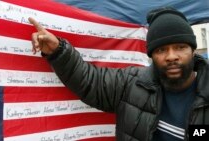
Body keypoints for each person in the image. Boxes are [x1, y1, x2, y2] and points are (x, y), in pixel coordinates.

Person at [28, 7, 209, 141]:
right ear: (152, 55)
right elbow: (90, 81)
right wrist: (58, 51)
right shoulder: (132, 84)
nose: (171, 57)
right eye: (161, 50)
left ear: (193, 51)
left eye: (180, 47)